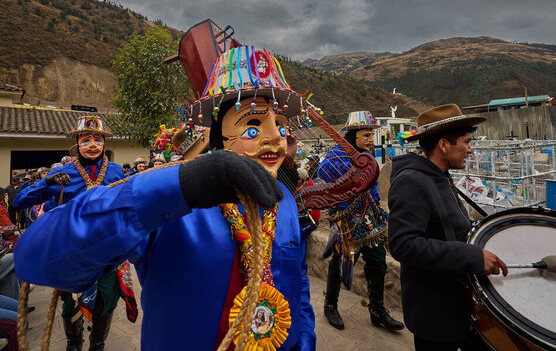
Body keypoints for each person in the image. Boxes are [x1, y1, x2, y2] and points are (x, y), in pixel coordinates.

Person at [15, 45, 316, 350]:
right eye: (252, 127)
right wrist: (173, 188)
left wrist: (304, 339)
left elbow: (298, 283)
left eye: (280, 124)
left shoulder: (286, 204)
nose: (276, 137)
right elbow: (35, 257)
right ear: (216, 138)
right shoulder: (174, 208)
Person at [387, 104, 508, 351]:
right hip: (435, 315)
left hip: (457, 305)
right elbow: (402, 244)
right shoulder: (412, 182)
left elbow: (448, 227)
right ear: (443, 145)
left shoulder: (439, 176)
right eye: (465, 142)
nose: (470, 149)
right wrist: (470, 255)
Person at [13, 116, 130, 351]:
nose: (93, 145)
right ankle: (73, 345)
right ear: (77, 144)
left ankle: (98, 345)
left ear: (105, 143)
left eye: (98, 139)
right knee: (70, 305)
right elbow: (19, 201)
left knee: (107, 302)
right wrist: (47, 183)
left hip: (109, 253)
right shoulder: (63, 173)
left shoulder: (118, 172)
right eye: (86, 140)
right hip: (71, 252)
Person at [318, 111, 404, 331]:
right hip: (346, 219)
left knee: (378, 262)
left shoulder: (367, 157)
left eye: (371, 136)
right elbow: (325, 175)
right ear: (353, 135)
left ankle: (377, 311)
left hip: (370, 216)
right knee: (341, 263)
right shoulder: (335, 157)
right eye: (366, 135)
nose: (370, 140)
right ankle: (330, 306)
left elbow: (372, 186)